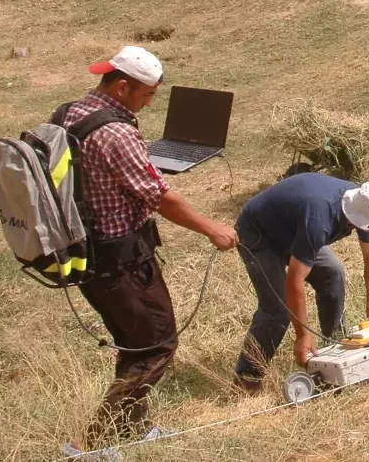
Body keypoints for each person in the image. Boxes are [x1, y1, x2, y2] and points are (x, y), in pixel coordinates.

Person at [60, 46, 239, 456]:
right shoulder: (116, 133)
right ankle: (90, 444)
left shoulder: (71, 113)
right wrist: (212, 228)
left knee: (135, 342)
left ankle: (129, 430)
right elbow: (160, 197)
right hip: (120, 263)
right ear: (122, 86)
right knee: (156, 345)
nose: (147, 104)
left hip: (87, 256)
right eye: (146, 96)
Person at [233, 173, 369, 391]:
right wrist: (303, 336)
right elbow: (294, 281)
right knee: (277, 307)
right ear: (355, 219)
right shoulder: (319, 220)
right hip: (259, 233)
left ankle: (336, 352)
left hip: (294, 227)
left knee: (332, 273)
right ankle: (247, 378)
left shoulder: (365, 203)